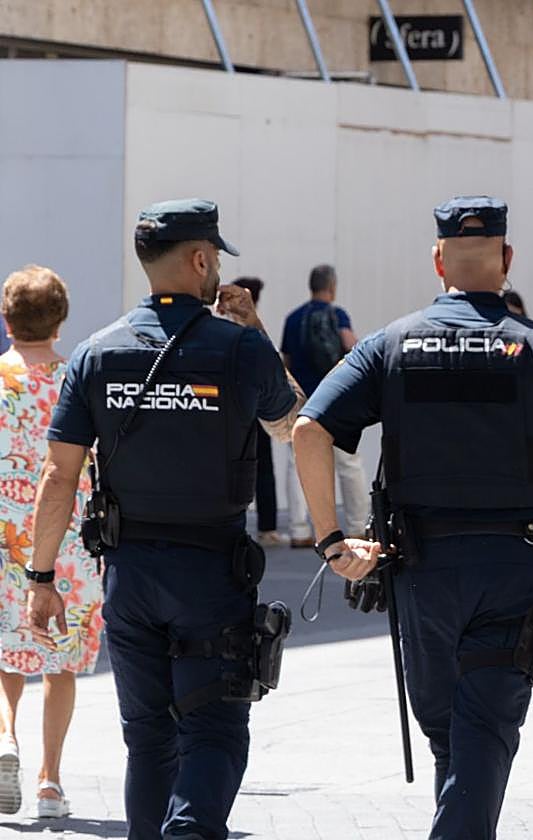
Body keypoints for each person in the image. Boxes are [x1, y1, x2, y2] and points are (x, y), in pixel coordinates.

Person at [292, 196, 533, 840]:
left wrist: (334, 541)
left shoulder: (390, 345)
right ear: (506, 260)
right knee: (481, 733)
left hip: (422, 574)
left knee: (454, 733)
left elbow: (310, 430)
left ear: (437, 261)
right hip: (517, 571)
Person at [27, 199, 304, 839]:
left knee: (148, 737)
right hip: (211, 573)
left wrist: (42, 579)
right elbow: (293, 425)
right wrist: (256, 331)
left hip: (128, 576)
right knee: (214, 728)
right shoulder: (238, 349)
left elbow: (58, 474)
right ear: (202, 259)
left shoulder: (96, 353)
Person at [0, 266, 100, 818]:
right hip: (68, 539)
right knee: (58, 664)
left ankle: (5, 738)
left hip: (2, 535)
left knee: (4, 654)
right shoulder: (76, 380)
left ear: (6, 319)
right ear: (60, 320)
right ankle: (49, 784)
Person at [280, 264, 368, 547]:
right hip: (336, 399)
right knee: (348, 463)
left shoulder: (293, 319)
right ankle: (356, 527)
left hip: (304, 399)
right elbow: (353, 348)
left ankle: (299, 531)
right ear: (332, 286)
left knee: (298, 463)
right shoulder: (337, 315)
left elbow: (287, 362)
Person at [234, 277, 283, 546]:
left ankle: (237, 522)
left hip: (234, 409)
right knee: (264, 467)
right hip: (256, 407)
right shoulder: (254, 332)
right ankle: (267, 527)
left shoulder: (219, 328)